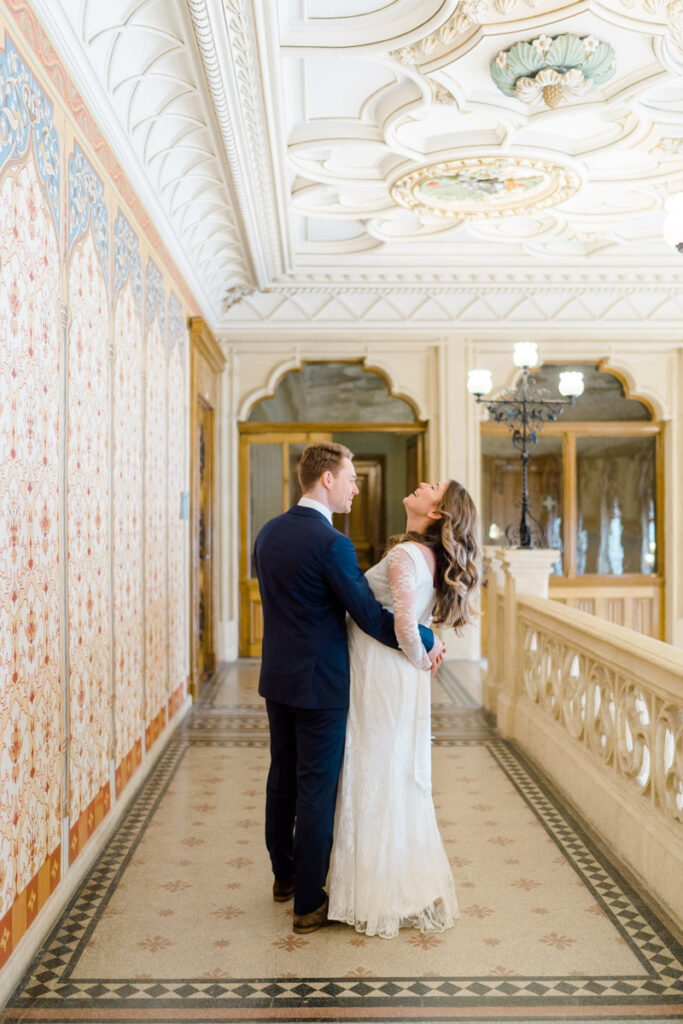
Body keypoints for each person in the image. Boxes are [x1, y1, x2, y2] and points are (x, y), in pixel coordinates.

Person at [253, 442, 444, 935]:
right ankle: (310, 902)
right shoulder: (332, 543)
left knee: (283, 776)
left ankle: (284, 876)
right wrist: (424, 638)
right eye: (352, 477)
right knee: (317, 788)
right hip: (323, 683)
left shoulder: (269, 533)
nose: (357, 487)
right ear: (327, 481)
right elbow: (365, 613)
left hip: (277, 676)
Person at [328, 479, 480, 938]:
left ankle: (372, 889)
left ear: (437, 513)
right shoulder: (423, 556)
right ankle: (392, 881)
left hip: (382, 670)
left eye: (432, 488)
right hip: (397, 675)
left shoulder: (402, 556)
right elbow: (415, 627)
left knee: (374, 769)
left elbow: (404, 627)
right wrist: (422, 660)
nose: (422, 484)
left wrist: (422, 657)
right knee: (390, 771)